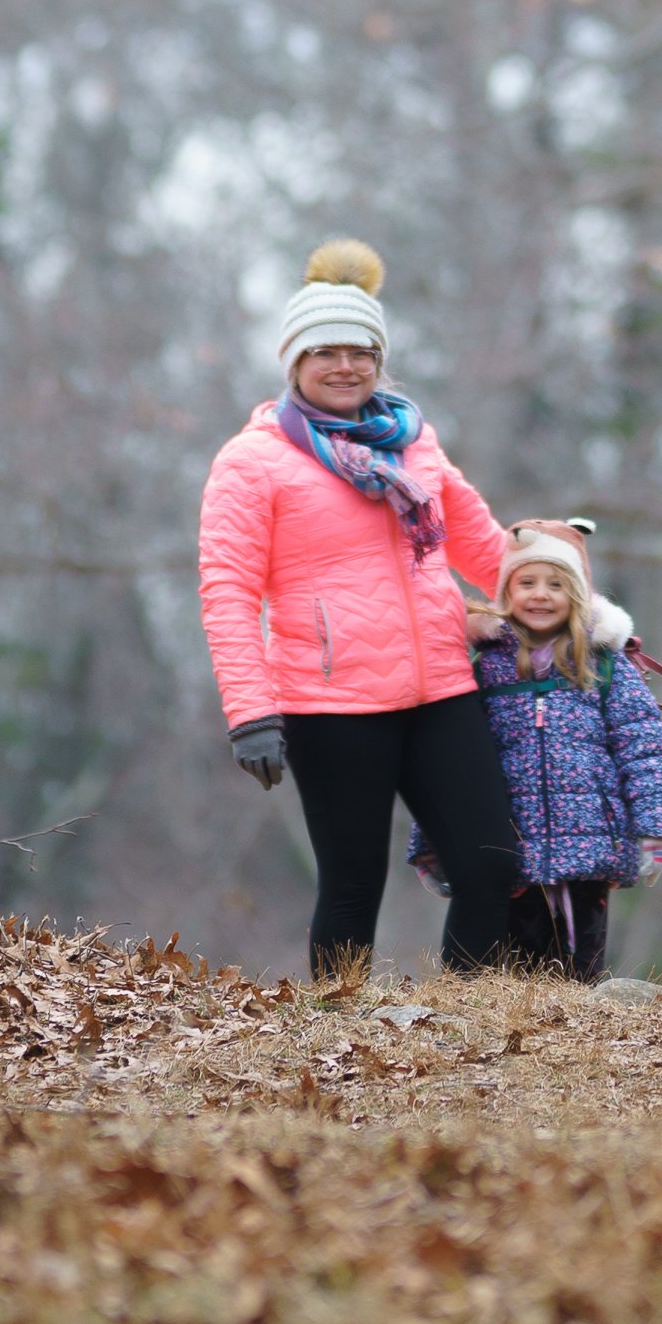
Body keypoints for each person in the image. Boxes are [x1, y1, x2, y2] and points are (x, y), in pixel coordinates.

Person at [198, 237, 519, 975]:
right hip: (329, 704)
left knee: (491, 866)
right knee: (351, 888)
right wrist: (250, 714)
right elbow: (227, 591)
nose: (345, 366)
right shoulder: (253, 462)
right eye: (325, 352)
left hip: (441, 687)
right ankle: (337, 1042)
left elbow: (483, 545)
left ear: (379, 358)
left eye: (360, 351)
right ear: (294, 363)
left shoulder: (414, 443)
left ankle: (470, 1033)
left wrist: (588, 618)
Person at [409, 519, 662, 981]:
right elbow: (450, 763)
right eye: (527, 583)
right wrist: (432, 844)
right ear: (505, 592)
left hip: (591, 846)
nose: (541, 594)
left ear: (577, 594)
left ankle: (580, 1048)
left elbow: (646, 751)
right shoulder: (484, 666)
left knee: (579, 973)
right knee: (517, 973)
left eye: (556, 584)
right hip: (511, 845)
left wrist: (657, 831)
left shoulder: (605, 665)